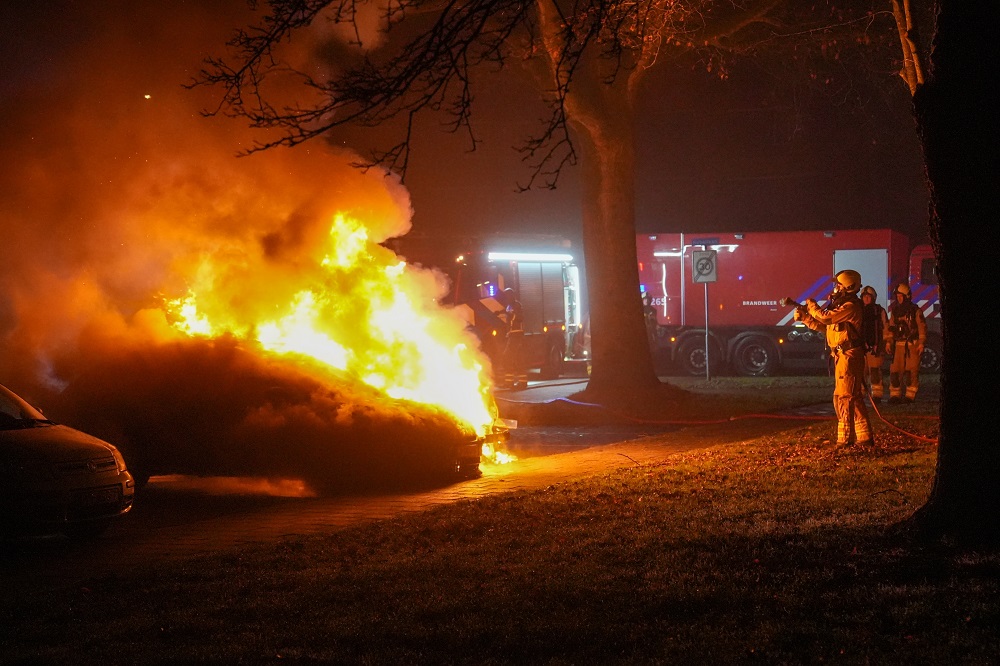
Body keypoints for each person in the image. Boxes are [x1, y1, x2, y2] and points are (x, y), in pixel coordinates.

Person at [793, 269, 874, 446]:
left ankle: (845, 440)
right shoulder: (841, 306)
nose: (835, 288)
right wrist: (806, 318)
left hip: (849, 356)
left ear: (848, 287)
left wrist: (812, 306)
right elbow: (827, 327)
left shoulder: (850, 306)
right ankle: (864, 436)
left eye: (838, 285)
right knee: (852, 396)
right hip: (842, 355)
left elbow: (826, 318)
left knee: (844, 397)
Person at [886, 282, 927, 403]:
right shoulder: (895, 311)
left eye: (901, 296)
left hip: (912, 345)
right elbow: (891, 328)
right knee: (895, 371)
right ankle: (895, 396)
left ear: (907, 296)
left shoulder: (915, 311)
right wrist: (889, 342)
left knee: (911, 371)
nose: (899, 299)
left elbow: (922, 328)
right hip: (898, 346)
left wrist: (921, 343)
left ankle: (910, 396)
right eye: (897, 296)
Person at [859, 285, 890, 403]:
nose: (866, 299)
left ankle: (877, 395)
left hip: (876, 347)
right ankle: (860, 394)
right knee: (861, 372)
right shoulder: (858, 311)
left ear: (873, 298)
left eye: (869, 297)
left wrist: (887, 342)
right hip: (861, 348)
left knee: (875, 371)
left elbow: (886, 327)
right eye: (864, 297)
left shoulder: (879, 311)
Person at [499, 287, 528, 390]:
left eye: (507, 296)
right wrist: (500, 312)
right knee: (515, 359)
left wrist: (509, 314)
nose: (506, 298)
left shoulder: (517, 305)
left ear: (511, 296)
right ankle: (512, 382)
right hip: (512, 335)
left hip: (517, 335)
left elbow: (519, 317)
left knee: (508, 357)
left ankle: (515, 383)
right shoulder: (509, 306)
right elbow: (508, 312)